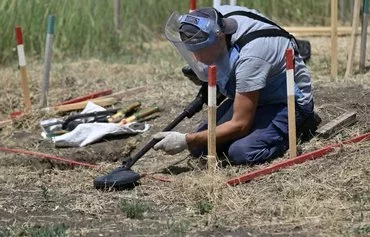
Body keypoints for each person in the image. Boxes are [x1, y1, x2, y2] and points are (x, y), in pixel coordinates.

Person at [152, 5, 321, 165]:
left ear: (219, 38)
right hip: (256, 93)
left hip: (287, 102)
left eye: (200, 50)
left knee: (241, 152)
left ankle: (301, 127)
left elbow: (240, 124)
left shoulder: (252, 57)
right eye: (193, 51)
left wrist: (185, 140)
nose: (196, 58)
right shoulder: (217, 17)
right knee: (200, 147)